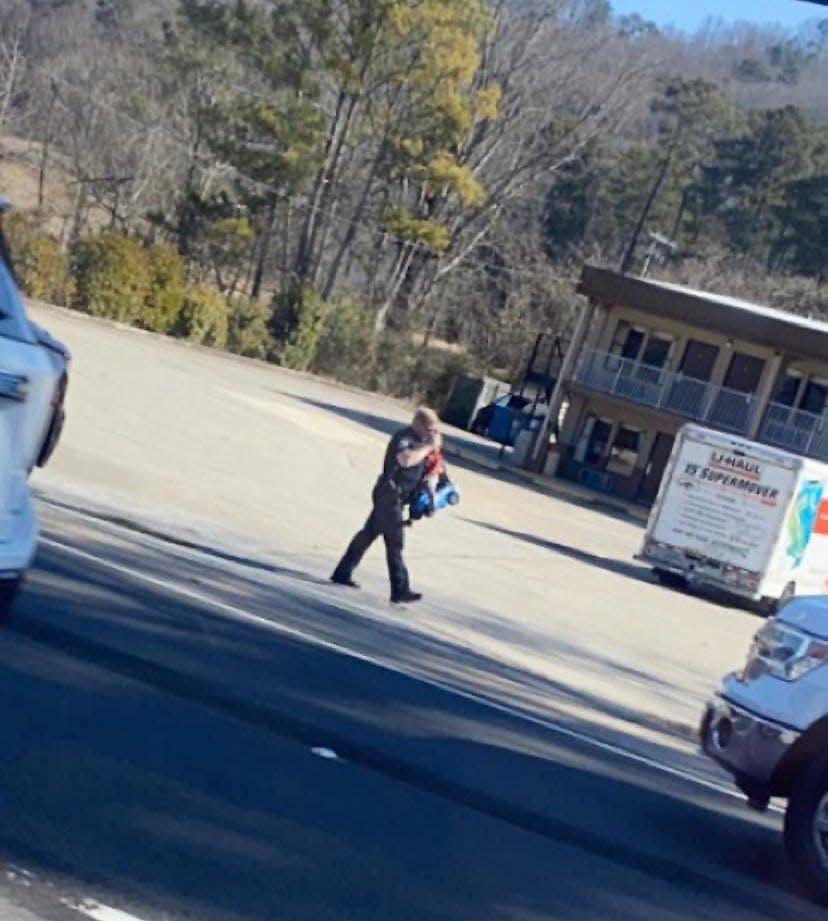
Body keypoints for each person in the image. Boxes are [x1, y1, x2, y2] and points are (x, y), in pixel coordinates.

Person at [331, 407, 440, 604]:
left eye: (434, 431)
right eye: (429, 429)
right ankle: (400, 589)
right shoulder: (405, 438)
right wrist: (428, 448)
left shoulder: (423, 444)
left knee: (368, 533)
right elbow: (405, 459)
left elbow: (432, 469)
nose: (431, 434)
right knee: (395, 542)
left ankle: (342, 572)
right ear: (418, 423)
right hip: (389, 495)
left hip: (398, 498)